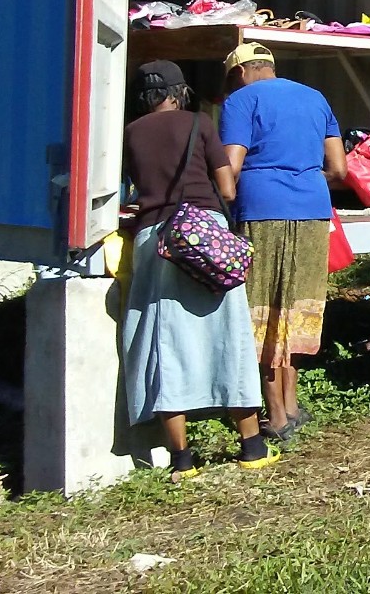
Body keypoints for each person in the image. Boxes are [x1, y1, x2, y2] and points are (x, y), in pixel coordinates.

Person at [121, 61, 279, 481]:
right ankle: (252, 447)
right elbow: (227, 188)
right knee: (229, 336)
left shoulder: (131, 132)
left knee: (163, 344)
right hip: (203, 236)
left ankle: (182, 460)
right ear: (179, 92)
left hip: (154, 240)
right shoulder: (199, 123)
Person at [219, 43, 346, 441]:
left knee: (263, 308)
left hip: (262, 209)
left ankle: (275, 417)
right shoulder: (315, 97)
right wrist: (302, 180)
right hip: (313, 210)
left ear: (240, 72)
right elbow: (339, 169)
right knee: (294, 307)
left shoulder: (241, 100)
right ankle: (291, 405)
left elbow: (231, 166)